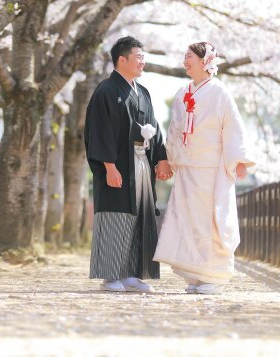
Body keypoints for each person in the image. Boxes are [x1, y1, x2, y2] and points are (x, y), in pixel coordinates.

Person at [153, 41, 255, 295]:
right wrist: (170, 160)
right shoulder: (182, 92)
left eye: (189, 57)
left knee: (212, 220)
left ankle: (216, 275)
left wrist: (239, 159)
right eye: (184, 56)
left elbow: (233, 126)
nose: (185, 61)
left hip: (211, 168)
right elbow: (175, 130)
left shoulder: (220, 92)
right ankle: (195, 274)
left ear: (204, 61)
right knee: (188, 221)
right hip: (188, 168)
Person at [84, 36, 173, 292]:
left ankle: (133, 273)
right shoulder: (106, 91)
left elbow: (155, 128)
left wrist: (162, 158)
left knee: (141, 215)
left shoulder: (142, 92)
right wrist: (109, 166)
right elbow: (98, 132)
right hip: (118, 165)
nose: (142, 62)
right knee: (116, 215)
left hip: (142, 163)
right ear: (121, 60)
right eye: (138, 57)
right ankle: (111, 276)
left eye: (144, 58)